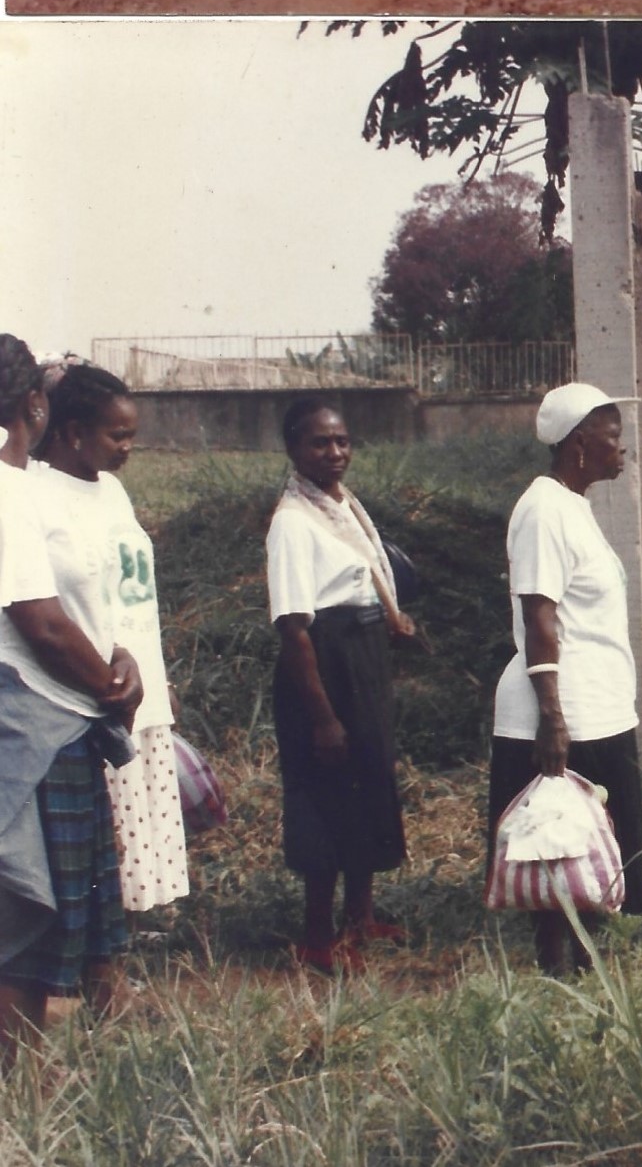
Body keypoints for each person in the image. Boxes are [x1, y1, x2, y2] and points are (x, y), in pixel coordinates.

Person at [0, 343, 141, 1052]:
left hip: (54, 713)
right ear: (36, 406)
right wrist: (112, 686)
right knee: (26, 901)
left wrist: (118, 668)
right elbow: (44, 624)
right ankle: (18, 1079)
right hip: (31, 717)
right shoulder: (10, 493)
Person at [489, 384, 642, 971]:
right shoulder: (543, 509)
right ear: (579, 442)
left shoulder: (573, 506)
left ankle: (589, 963)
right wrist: (552, 717)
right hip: (565, 711)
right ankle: (559, 969)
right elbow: (539, 615)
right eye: (612, 433)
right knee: (557, 845)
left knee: (593, 845)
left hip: (599, 707)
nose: (621, 445)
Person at [266, 397, 418, 975]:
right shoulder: (292, 521)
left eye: (342, 442)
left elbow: (364, 580)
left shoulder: (342, 507)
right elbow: (294, 627)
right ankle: (316, 935)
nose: (334, 453)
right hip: (322, 665)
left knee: (369, 779)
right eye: (319, 443)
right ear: (293, 449)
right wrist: (324, 717)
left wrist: (390, 621)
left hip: (364, 658)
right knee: (326, 792)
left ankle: (360, 917)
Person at [33, 369, 187, 919]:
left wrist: (155, 674)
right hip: (89, 695)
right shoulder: (36, 494)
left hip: (138, 687)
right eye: (117, 436)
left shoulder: (114, 492)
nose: (128, 447)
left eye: (131, 434)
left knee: (135, 843)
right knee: (97, 846)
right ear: (73, 431)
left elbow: (130, 592)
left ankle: (117, 957)